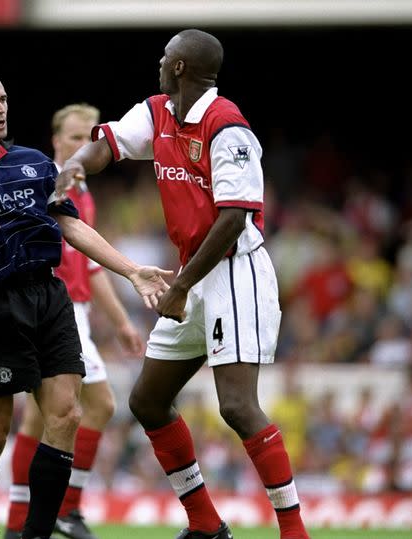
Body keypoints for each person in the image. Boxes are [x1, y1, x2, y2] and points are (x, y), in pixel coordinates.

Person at [55, 30, 311, 539]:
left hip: (234, 272)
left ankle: (294, 530)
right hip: (192, 274)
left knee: (237, 406)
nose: (159, 61)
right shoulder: (158, 112)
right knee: (148, 401)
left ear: (178, 67)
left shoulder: (227, 126)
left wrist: (178, 287)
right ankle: (205, 524)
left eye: (165, 56)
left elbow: (235, 217)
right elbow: (107, 145)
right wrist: (73, 170)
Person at [0, 70, 172, 539]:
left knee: (68, 415)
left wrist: (131, 270)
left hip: (48, 296)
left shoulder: (34, 162)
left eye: (3, 100)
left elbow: (72, 227)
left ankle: (37, 534)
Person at [4, 104, 145, 539]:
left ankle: (16, 525)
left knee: (35, 420)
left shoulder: (83, 194)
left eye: (90, 138)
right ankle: (67, 508)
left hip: (72, 310)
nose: (83, 145)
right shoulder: (46, 183)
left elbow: (92, 267)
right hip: (53, 311)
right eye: (73, 137)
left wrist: (121, 321)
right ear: (55, 140)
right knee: (98, 405)